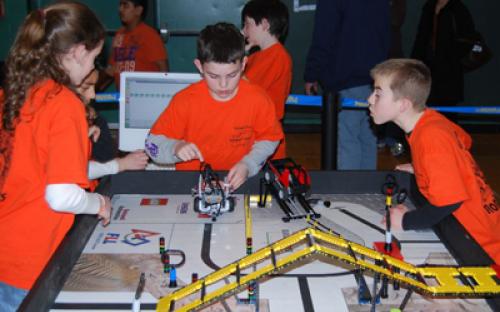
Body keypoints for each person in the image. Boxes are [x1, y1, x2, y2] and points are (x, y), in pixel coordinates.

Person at [0, 2, 111, 310]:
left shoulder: (15, 91)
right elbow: (61, 196)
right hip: (30, 262)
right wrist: (97, 203)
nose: (92, 68)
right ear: (76, 51)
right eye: (93, 57)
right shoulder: (64, 103)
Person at [367, 58, 500, 265]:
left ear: (403, 105)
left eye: (378, 93)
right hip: (484, 225)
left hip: (481, 244)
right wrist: (425, 166)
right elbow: (464, 141)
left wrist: (405, 221)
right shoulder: (430, 120)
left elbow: (449, 201)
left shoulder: (430, 137)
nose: (369, 99)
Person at [145, 22, 283, 190]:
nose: (223, 85)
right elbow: (151, 145)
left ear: (244, 64)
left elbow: (270, 139)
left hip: (239, 182)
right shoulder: (185, 101)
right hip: (191, 185)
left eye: (232, 75)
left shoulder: (258, 99)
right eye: (213, 75)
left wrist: (249, 164)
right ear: (199, 67)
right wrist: (175, 148)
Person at [304, 0, 390, 170]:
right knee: (368, 138)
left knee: (347, 141)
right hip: (376, 79)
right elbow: (387, 34)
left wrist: (312, 74)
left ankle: (349, 194)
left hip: (344, 78)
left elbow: (324, 35)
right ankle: (367, 192)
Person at [241, 0, 292, 159]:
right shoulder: (256, 57)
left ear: (264, 24)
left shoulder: (277, 56)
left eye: (247, 25)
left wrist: (235, 58)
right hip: (252, 133)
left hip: (265, 136)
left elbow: (244, 88)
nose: (243, 31)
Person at [78, 69, 149, 178]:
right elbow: (71, 172)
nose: (93, 95)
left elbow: (107, 156)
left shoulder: (95, 120)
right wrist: (122, 164)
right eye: (86, 87)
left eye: (94, 87)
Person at [411, 0, 475, 107]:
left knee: (448, 110)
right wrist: (414, 63)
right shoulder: (429, 7)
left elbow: (468, 39)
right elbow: (421, 38)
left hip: (449, 71)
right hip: (427, 69)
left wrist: (452, 57)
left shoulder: (457, 8)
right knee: (427, 108)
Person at [102, 0, 168, 90]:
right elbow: (111, 70)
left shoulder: (149, 35)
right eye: (120, 5)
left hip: (144, 96)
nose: (120, 9)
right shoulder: (119, 34)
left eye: (125, 5)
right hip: (123, 98)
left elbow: (164, 70)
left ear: (138, 10)